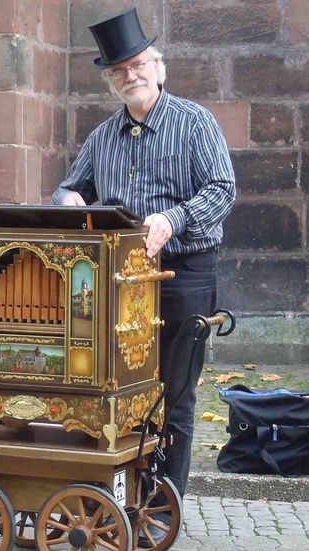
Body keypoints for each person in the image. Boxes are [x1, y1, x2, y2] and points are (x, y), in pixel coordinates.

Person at [52, 8, 236, 513]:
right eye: (118, 71)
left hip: (183, 276)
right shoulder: (102, 136)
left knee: (172, 399)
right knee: (116, 392)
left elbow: (223, 190)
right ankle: (115, 501)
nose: (128, 75)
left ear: (157, 65)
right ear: (111, 80)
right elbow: (72, 186)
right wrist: (67, 198)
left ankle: (161, 508)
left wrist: (174, 219)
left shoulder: (195, 122)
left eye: (135, 65)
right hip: (118, 282)